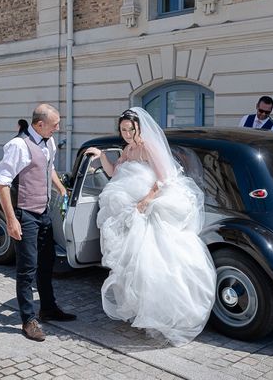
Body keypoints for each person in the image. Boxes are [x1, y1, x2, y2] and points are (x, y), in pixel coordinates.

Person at [84, 108, 216, 346]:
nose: (126, 133)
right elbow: (114, 173)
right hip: (131, 211)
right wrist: (101, 156)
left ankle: (166, 315)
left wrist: (147, 199)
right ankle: (144, 312)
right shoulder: (127, 149)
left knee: (154, 263)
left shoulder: (148, 147)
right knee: (135, 266)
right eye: (123, 129)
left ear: (139, 128)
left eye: (130, 129)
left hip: (150, 208)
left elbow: (165, 176)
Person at [0, 104, 75, 342]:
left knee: (47, 262)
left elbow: (47, 167)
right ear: (40, 125)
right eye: (55, 125)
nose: (59, 128)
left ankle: (48, 308)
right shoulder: (18, 146)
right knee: (27, 269)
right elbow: (2, 183)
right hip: (25, 214)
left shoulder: (48, 142)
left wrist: (60, 188)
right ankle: (28, 320)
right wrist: (11, 220)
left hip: (44, 213)